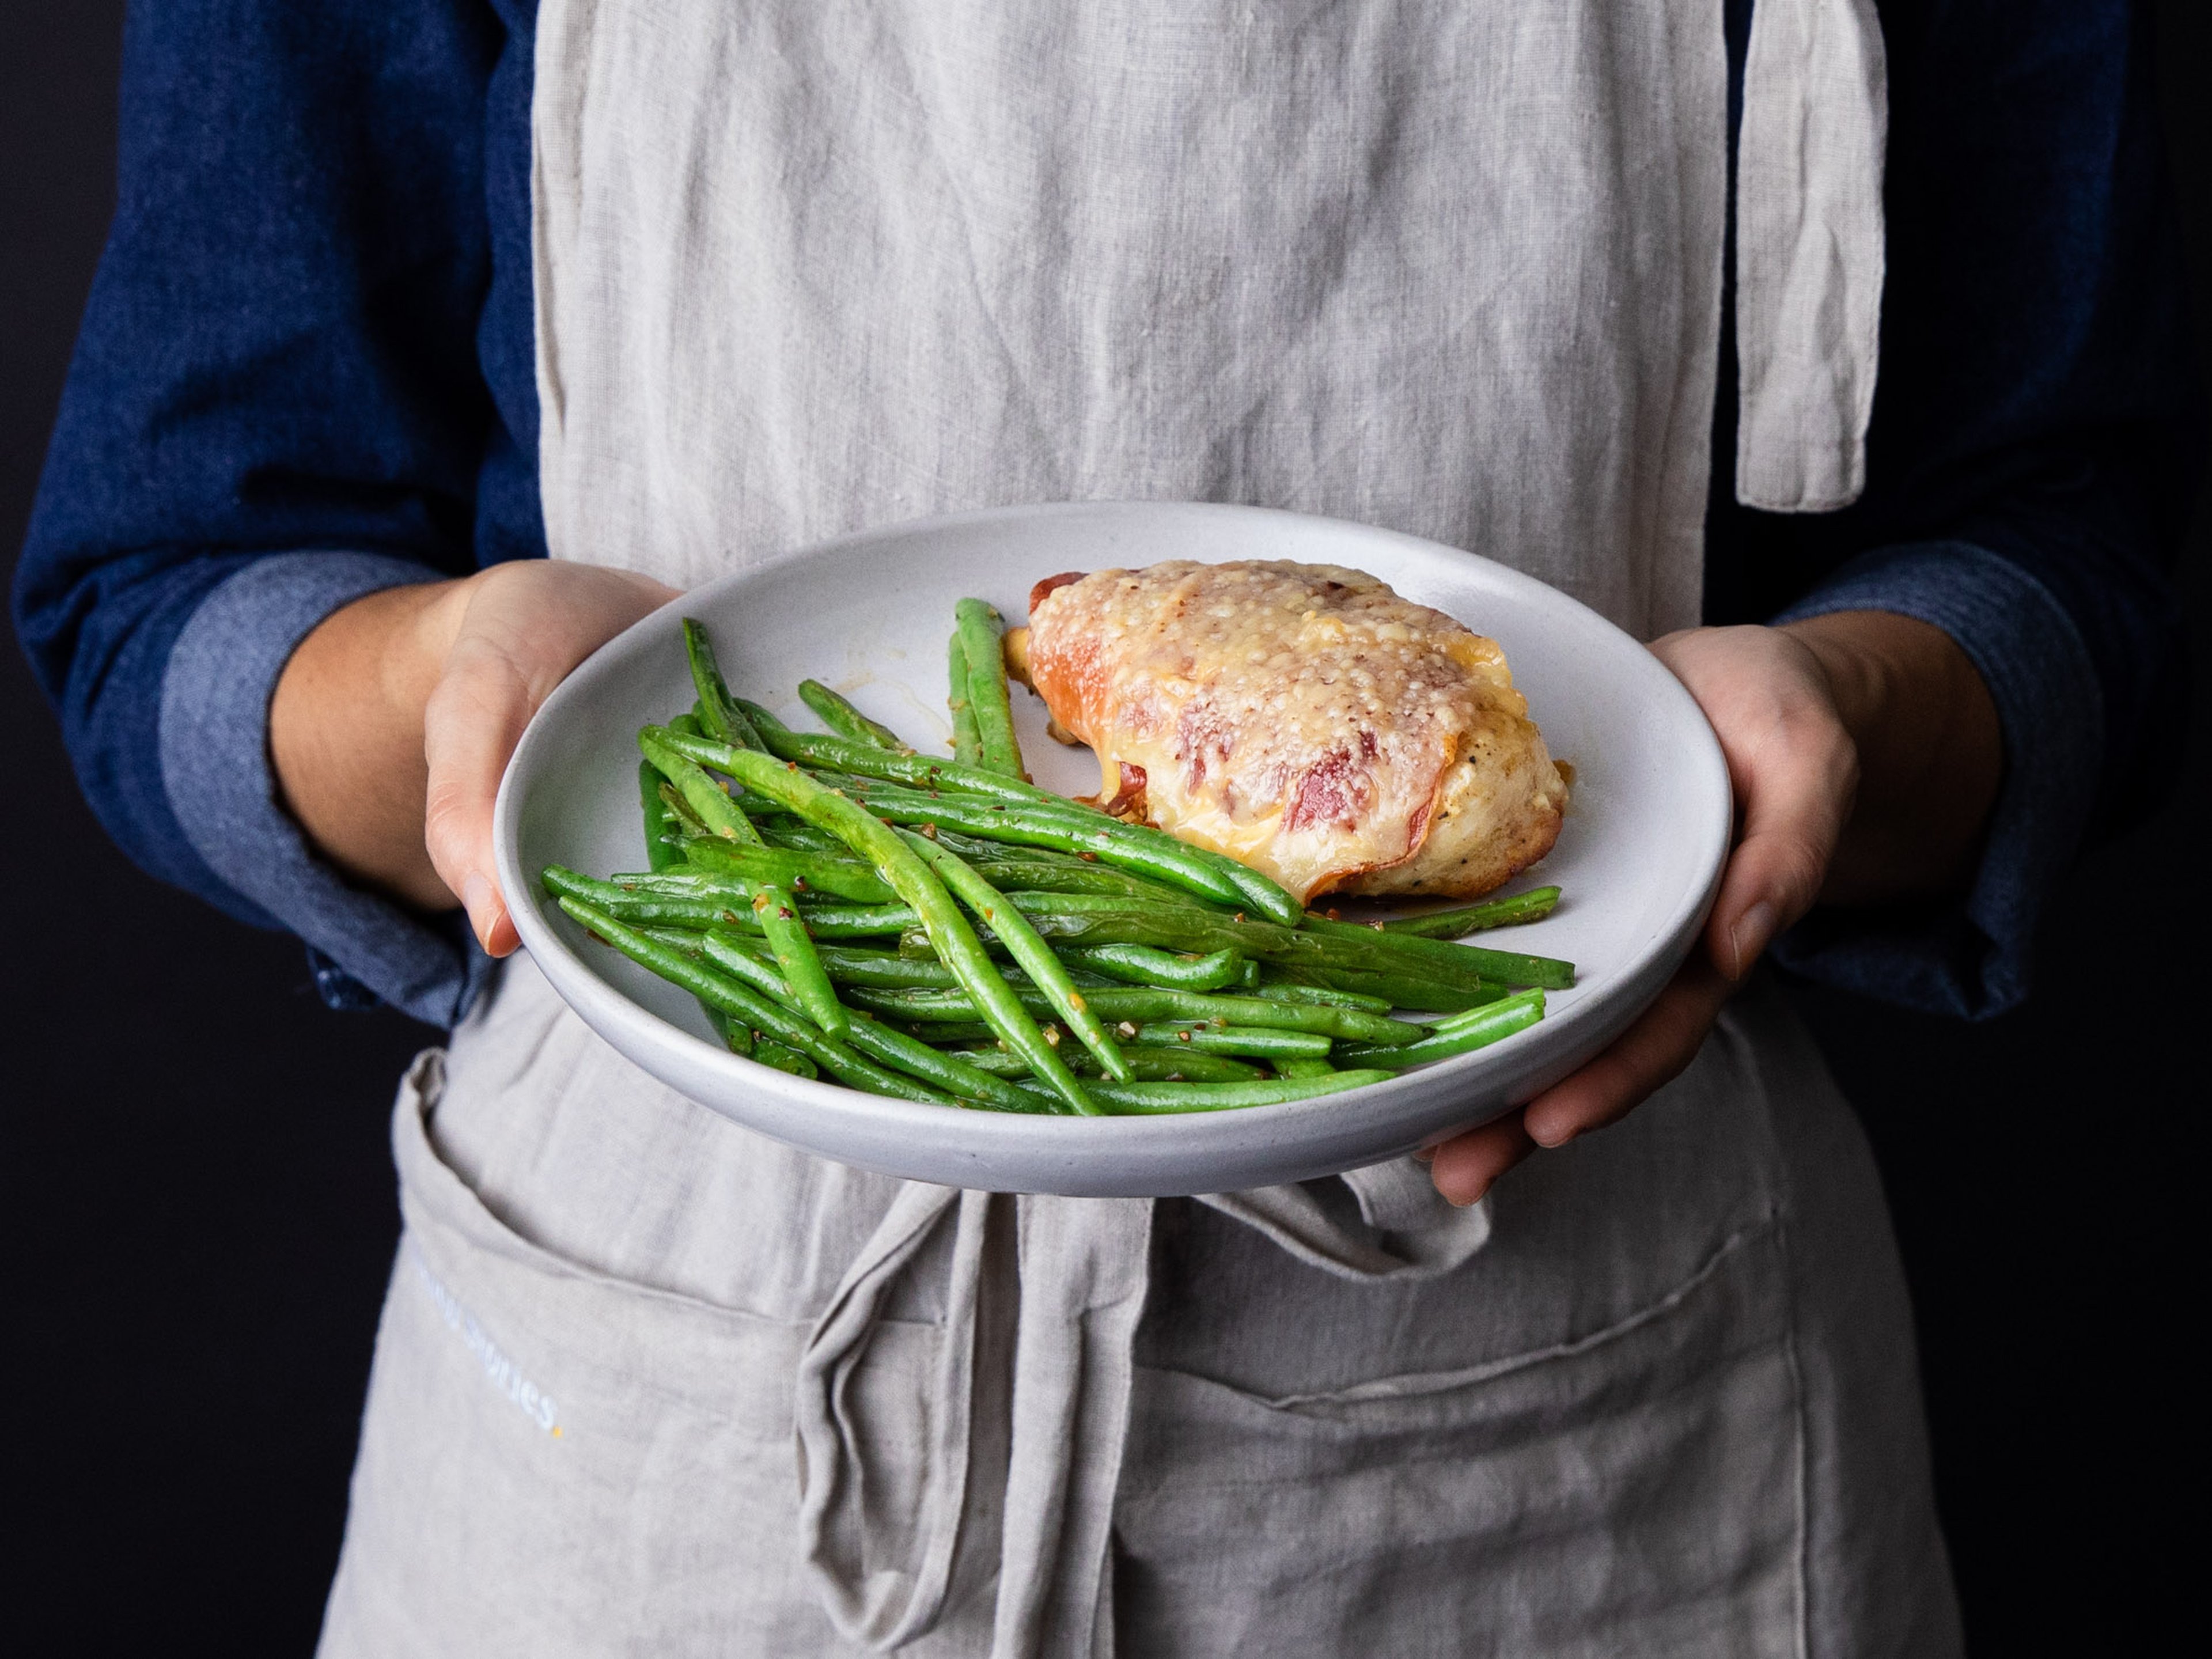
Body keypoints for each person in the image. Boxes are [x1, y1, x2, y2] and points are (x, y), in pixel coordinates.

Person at [14, 0, 2194, 1653]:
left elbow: (2091, 533)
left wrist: (1852, 716)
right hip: (659, 1458)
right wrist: (451, 703)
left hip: (1583, 1464)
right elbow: (175, 584)